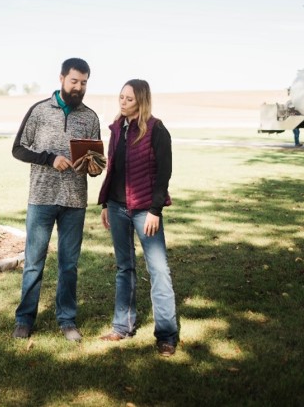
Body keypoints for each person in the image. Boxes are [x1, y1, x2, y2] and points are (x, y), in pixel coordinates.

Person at [11, 58, 102, 341]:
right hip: (41, 198)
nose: (79, 87)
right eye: (74, 81)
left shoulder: (90, 117)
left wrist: (94, 167)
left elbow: (95, 163)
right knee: (34, 261)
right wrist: (50, 159)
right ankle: (25, 319)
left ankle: (67, 320)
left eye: (84, 82)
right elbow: (18, 149)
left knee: (69, 265)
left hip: (75, 201)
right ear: (62, 78)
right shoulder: (39, 111)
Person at [97, 79, 178, 357]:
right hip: (117, 207)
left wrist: (155, 210)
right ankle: (122, 326)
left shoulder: (156, 129)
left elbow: (164, 173)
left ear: (141, 100)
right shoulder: (117, 129)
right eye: (121, 96)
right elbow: (112, 169)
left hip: (146, 210)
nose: (123, 101)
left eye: (129, 98)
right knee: (124, 268)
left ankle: (166, 335)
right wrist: (105, 204)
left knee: (159, 270)